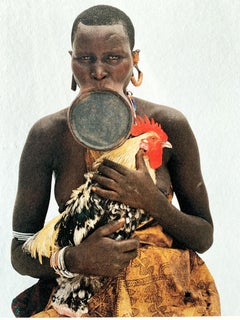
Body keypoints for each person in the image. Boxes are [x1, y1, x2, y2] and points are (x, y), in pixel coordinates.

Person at [11, 4, 221, 317]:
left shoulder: (169, 124)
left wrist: (151, 200)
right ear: (71, 61)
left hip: (170, 299)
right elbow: (20, 252)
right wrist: (74, 258)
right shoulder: (48, 135)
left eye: (113, 57)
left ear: (133, 60)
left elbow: (204, 236)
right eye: (85, 59)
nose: (98, 71)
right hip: (81, 300)